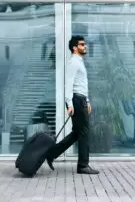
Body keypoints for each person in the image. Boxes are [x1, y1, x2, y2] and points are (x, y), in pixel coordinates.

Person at [46, 35, 99, 175]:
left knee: (77, 133)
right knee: (84, 132)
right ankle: (83, 165)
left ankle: (51, 153)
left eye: (84, 44)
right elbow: (69, 84)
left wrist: (86, 101)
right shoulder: (73, 63)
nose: (85, 46)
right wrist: (69, 104)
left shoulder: (79, 62)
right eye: (82, 44)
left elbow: (82, 85)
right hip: (76, 100)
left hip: (80, 99)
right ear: (75, 47)